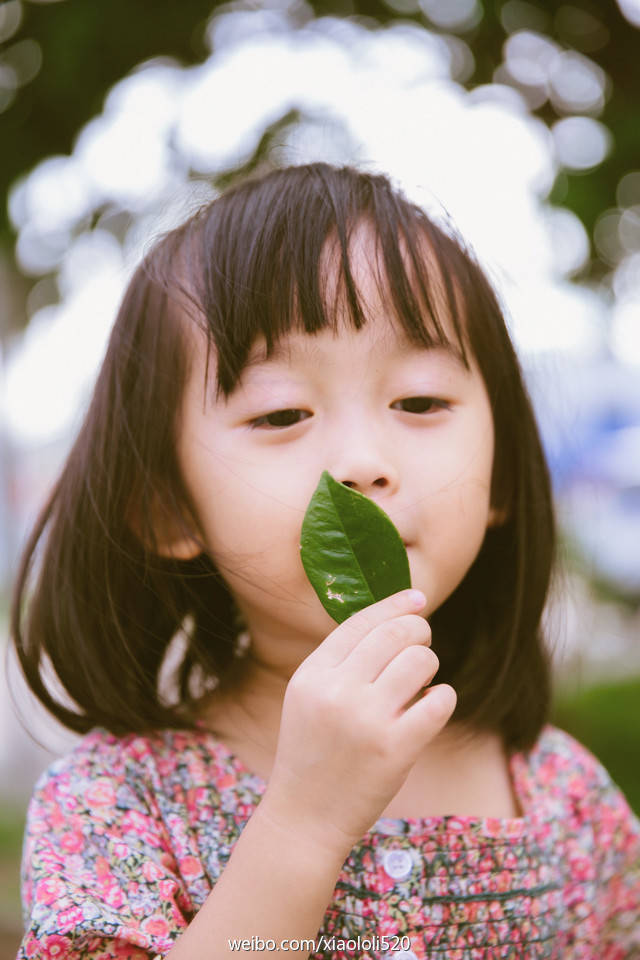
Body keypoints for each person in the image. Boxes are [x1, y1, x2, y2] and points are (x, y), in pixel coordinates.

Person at [10, 163, 639, 959]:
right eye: (281, 412)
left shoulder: (566, 798)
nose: (362, 462)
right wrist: (302, 825)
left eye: (419, 401)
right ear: (166, 505)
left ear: (504, 475)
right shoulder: (116, 802)